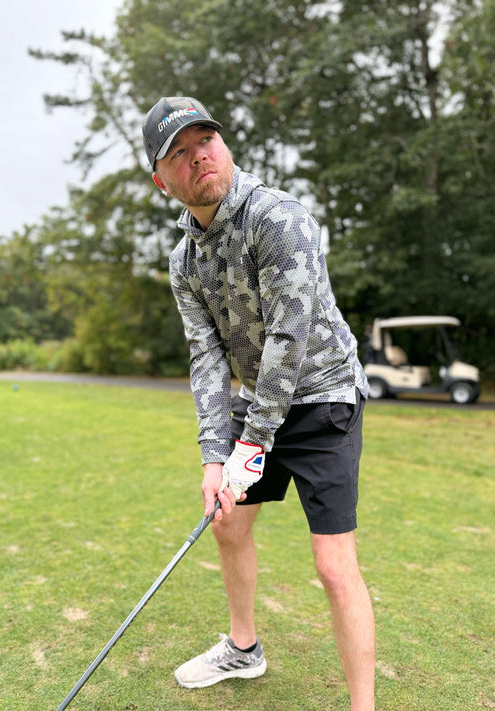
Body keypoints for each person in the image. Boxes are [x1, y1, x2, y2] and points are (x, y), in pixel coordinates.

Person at [142, 96, 375, 711]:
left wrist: (251, 442)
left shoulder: (278, 219)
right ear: (162, 182)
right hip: (260, 404)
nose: (199, 158)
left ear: (224, 145)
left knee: (333, 564)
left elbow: (287, 340)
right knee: (227, 521)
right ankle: (244, 649)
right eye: (179, 154)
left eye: (206, 141)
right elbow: (206, 358)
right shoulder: (184, 261)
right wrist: (213, 456)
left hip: (324, 396)